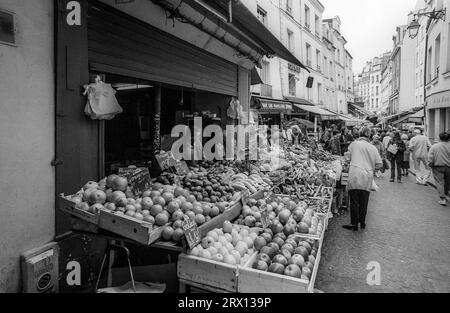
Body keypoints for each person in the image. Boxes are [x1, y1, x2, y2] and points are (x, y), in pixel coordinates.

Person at [343, 127, 383, 232]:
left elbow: (347, 159)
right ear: (369, 135)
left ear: (360, 134)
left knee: (354, 201)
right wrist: (371, 169)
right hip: (367, 176)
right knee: (364, 201)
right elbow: (379, 164)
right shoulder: (373, 148)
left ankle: (354, 224)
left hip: (355, 174)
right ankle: (363, 222)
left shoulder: (354, 144)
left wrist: (348, 163)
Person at [428, 132, 450, 206]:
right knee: (448, 182)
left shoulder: (435, 146)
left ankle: (442, 198)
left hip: (438, 167)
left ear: (440, 138)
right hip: (449, 167)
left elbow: (430, 157)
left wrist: (430, 164)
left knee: (439, 182)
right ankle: (446, 194)